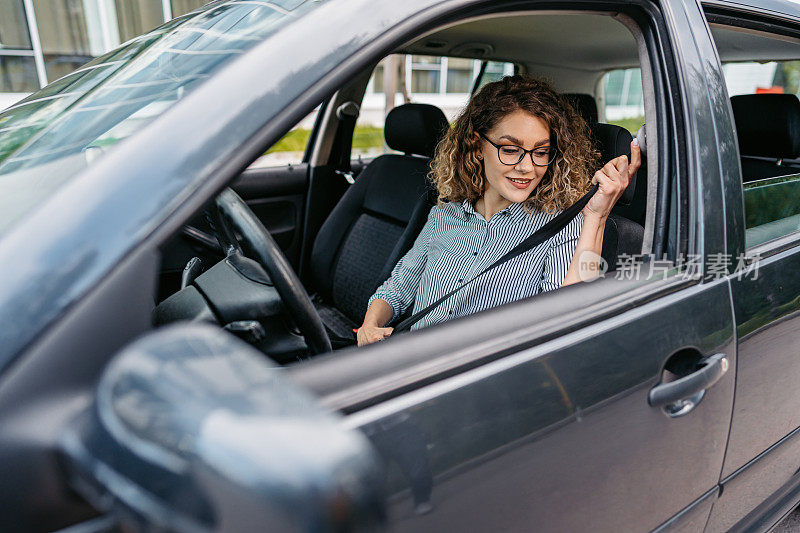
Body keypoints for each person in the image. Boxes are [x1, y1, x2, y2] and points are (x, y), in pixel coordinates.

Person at [357, 75, 640, 346]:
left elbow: (569, 317)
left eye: (540, 152)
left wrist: (596, 216)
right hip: (409, 363)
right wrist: (371, 325)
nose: (527, 167)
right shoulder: (445, 213)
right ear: (477, 145)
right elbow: (397, 289)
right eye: (510, 149)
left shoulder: (561, 224)